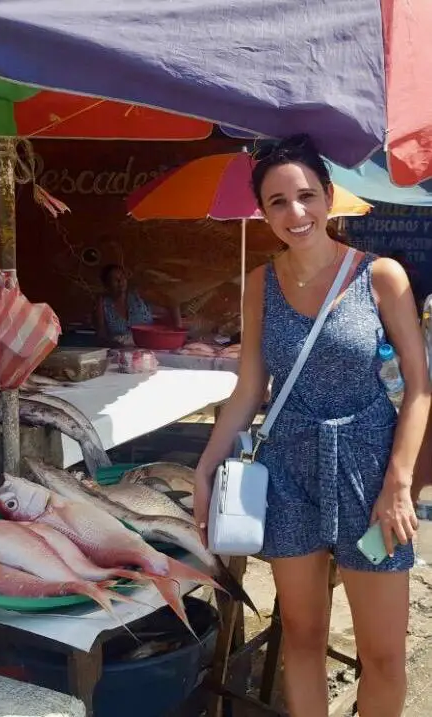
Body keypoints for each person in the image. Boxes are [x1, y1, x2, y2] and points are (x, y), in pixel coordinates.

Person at [193, 135, 431, 717]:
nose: (295, 213)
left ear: (328, 197)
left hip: (369, 473)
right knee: (301, 637)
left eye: (305, 196)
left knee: (383, 656)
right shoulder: (260, 284)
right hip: (289, 472)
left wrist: (400, 483)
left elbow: (420, 386)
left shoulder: (380, 277)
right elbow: (249, 389)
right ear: (263, 211)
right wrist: (204, 470)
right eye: (277, 202)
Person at [95, 263, 180, 345]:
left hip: (149, 347)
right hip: (119, 350)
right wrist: (115, 345)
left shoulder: (139, 294)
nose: (120, 282)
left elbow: (172, 304)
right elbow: (101, 336)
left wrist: (177, 333)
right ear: (106, 285)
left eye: (122, 277)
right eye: (115, 279)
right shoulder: (102, 303)